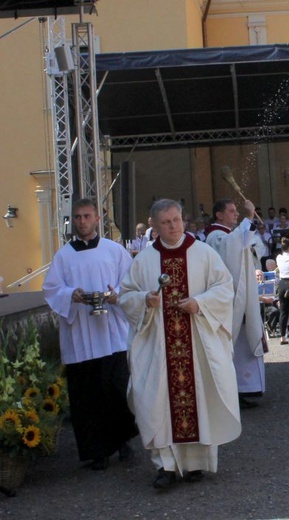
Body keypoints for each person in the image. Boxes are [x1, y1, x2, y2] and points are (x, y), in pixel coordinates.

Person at [120, 199, 241, 488]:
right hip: (158, 346)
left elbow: (224, 288)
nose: (173, 226)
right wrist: (144, 301)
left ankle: (196, 463)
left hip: (197, 342)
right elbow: (126, 295)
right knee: (155, 401)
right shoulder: (144, 260)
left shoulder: (204, 253)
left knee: (197, 397)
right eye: (166, 222)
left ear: (183, 220)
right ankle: (166, 466)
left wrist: (199, 303)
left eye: (176, 219)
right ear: (154, 225)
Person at [43, 198, 138, 471]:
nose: (82, 221)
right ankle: (97, 451)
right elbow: (51, 289)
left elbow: (129, 281)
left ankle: (123, 442)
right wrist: (69, 294)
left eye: (86, 216)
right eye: (77, 217)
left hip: (111, 333)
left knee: (117, 389)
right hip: (81, 336)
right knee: (87, 395)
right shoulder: (63, 256)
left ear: (97, 219)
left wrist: (116, 295)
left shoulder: (113, 250)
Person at [205, 199, 266, 409]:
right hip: (228, 299)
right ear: (219, 215)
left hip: (242, 295)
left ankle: (243, 388)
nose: (235, 214)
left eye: (236, 211)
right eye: (231, 211)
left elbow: (245, 244)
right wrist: (249, 218)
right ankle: (231, 391)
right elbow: (232, 248)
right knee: (231, 344)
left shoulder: (229, 234)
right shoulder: (215, 236)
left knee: (241, 345)